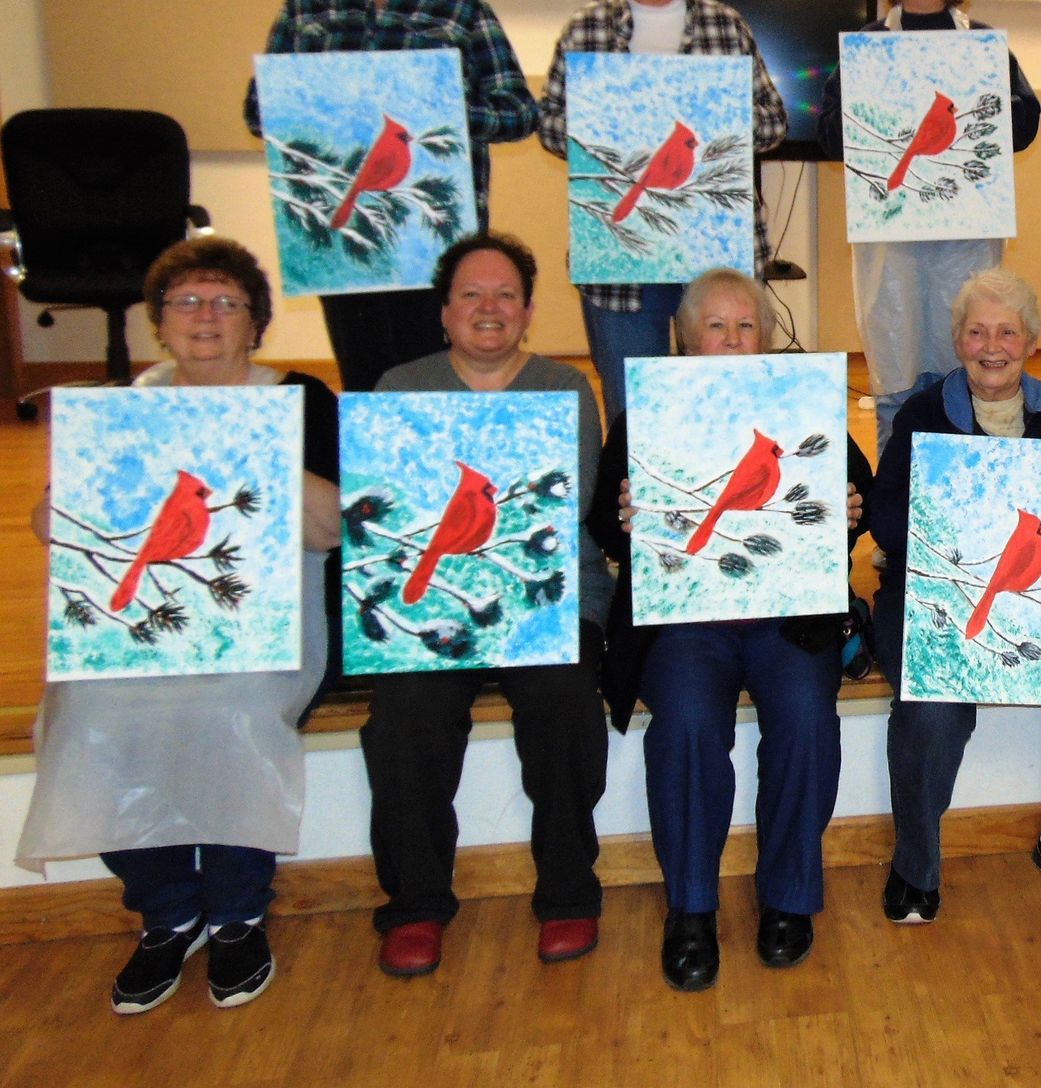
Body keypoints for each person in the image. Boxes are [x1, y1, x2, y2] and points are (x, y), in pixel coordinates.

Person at [17, 237, 341, 1013]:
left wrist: (250, 447)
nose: (206, 316)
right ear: (158, 321)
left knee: (238, 705)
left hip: (266, 619)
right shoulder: (124, 408)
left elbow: (330, 529)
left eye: (228, 302)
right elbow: (52, 524)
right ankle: (166, 911)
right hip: (147, 623)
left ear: (256, 323)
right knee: (85, 708)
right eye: (187, 301)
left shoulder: (298, 398)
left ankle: (236, 912)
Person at [359, 232, 614, 977]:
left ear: (528, 311)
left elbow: (574, 505)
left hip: (546, 592)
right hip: (435, 599)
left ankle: (568, 890)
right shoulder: (400, 387)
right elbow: (389, 508)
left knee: (565, 698)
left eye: (506, 294)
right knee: (403, 712)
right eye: (471, 294)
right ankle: (415, 903)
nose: (489, 307)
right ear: (444, 311)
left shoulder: (565, 387)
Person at [587, 268, 849, 992]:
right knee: (688, 722)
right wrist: (624, 516)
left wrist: (850, 508)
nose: (733, 340)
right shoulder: (646, 411)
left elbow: (846, 500)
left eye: (746, 326)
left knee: (807, 713)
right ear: (684, 338)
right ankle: (692, 907)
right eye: (716, 326)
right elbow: (602, 523)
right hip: (685, 621)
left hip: (787, 615)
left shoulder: (804, 402)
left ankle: (788, 896)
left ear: (765, 337)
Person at [869, 268, 1041, 920]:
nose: (992, 347)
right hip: (937, 599)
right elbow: (885, 521)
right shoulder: (922, 414)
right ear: (957, 340)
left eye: (1007, 333)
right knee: (931, 714)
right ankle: (915, 867)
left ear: (1030, 343)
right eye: (977, 332)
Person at [243, 0, 538, 393]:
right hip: (343, 236)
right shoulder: (305, 8)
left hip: (435, 236)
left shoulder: (461, 8)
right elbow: (259, 112)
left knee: (441, 380)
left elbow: (519, 113)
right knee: (364, 382)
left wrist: (437, 112)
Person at [538, 0, 789, 421]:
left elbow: (773, 122)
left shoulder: (726, 27)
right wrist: (604, 130)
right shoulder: (584, 30)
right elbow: (550, 128)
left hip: (715, 253)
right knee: (634, 412)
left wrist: (719, 121)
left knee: (725, 405)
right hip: (620, 261)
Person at [814, 0, 1041, 458]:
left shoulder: (981, 44)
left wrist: (991, 105)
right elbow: (828, 134)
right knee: (896, 382)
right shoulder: (868, 45)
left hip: (966, 238)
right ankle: (896, 502)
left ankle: (957, 491)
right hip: (891, 244)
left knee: (968, 375)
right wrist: (867, 114)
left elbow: (1025, 125)